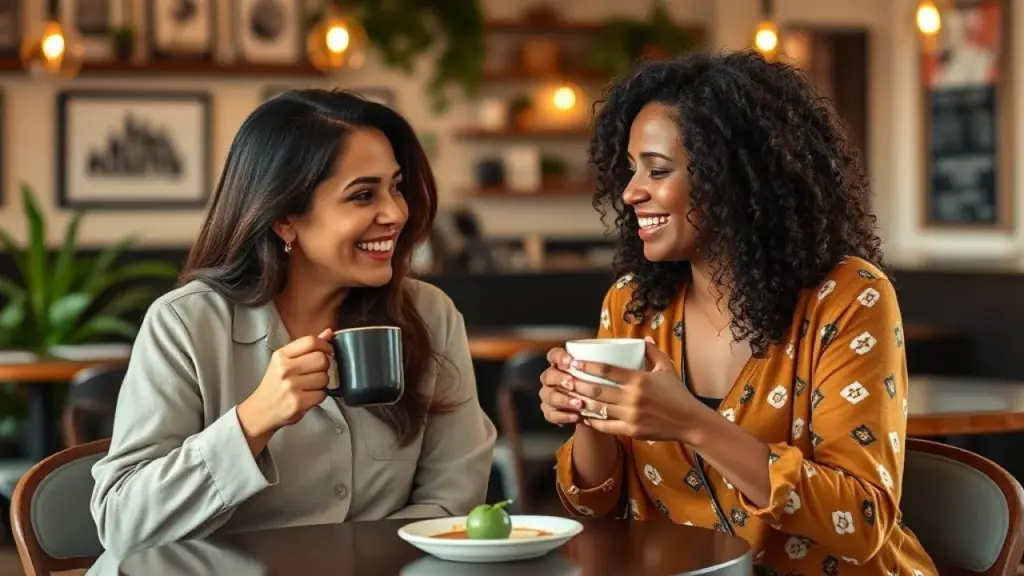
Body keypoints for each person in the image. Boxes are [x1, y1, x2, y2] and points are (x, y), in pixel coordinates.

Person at [540, 52, 937, 575]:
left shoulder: (848, 298)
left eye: (657, 170)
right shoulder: (632, 304)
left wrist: (691, 422)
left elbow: (861, 522)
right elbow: (597, 506)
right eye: (631, 169)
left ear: (731, 177)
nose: (631, 192)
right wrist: (587, 411)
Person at [91, 89, 497, 555]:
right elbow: (123, 525)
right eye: (363, 195)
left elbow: (454, 502)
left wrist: (350, 563)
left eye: (396, 187)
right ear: (285, 219)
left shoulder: (429, 315)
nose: (395, 213)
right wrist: (251, 423)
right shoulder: (185, 324)